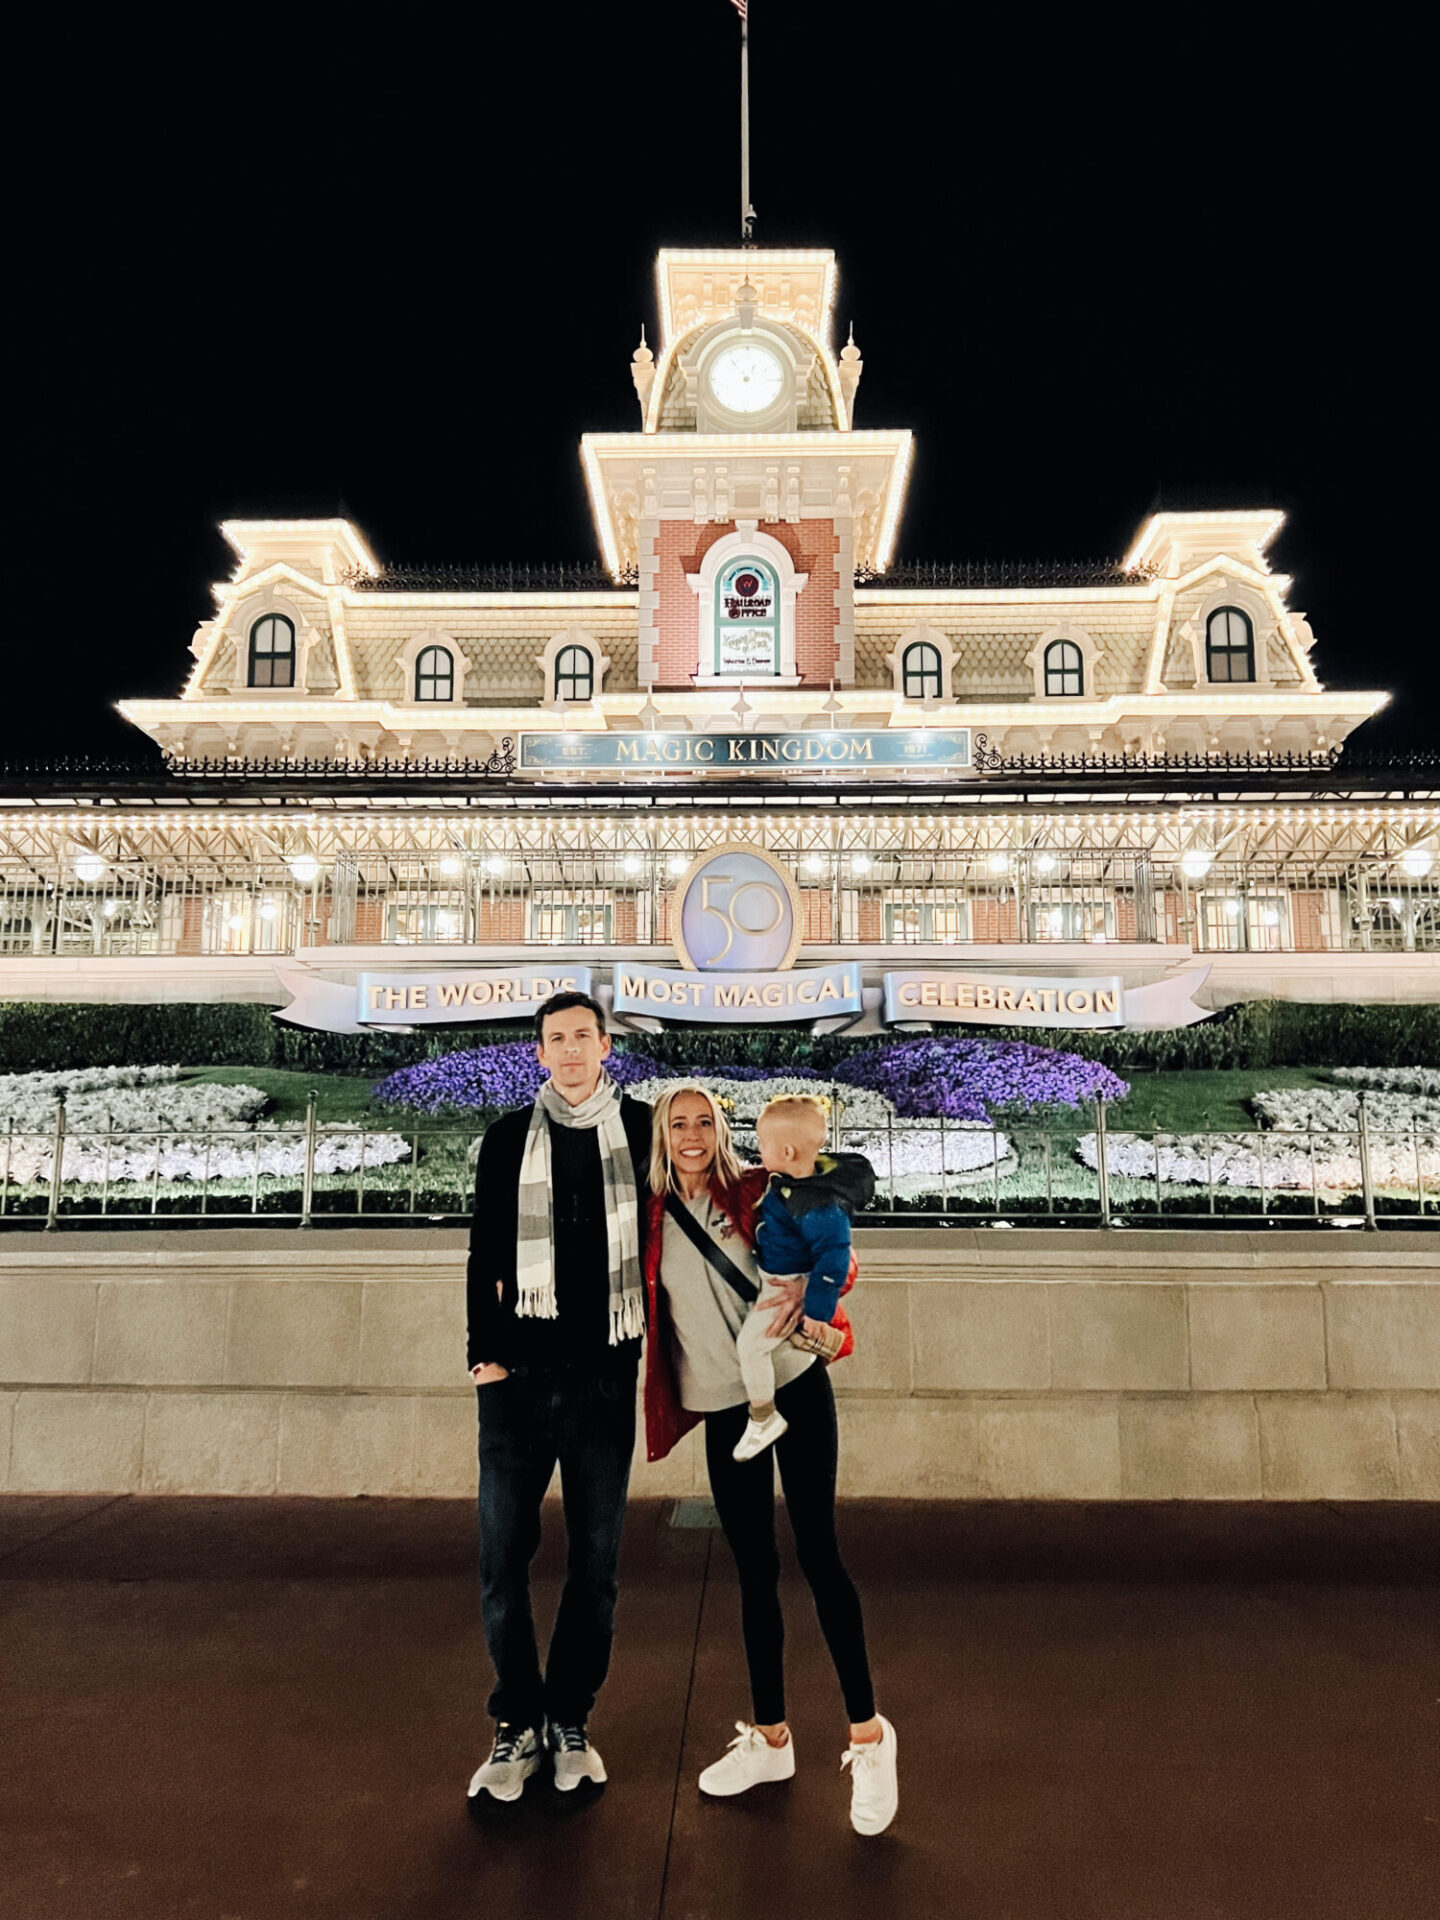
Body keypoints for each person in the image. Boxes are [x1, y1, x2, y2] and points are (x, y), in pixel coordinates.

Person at [641, 1082, 898, 1836]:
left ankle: (869, 1737)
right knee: (753, 1568)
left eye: (704, 1122)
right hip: (726, 1406)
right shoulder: (646, 1214)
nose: (691, 1134)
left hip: (793, 1384)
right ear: (660, 1135)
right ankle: (771, 1739)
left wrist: (824, 1296)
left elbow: (833, 1227)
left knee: (819, 1553)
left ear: (722, 1131)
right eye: (677, 1123)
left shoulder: (758, 1190)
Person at [463, 990, 651, 1806]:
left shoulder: (644, 1131)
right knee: (502, 1558)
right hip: (519, 1384)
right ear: (539, 1053)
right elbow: (482, 1250)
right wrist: (485, 1359)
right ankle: (516, 1722)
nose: (569, 1050)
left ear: (605, 1046)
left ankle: (570, 1718)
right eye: (555, 1039)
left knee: (596, 1565)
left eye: (582, 1036)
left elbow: (714, 1194)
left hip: (604, 1383)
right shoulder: (507, 1139)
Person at [733, 1095, 875, 1462]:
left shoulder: (818, 1206)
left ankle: (762, 1417)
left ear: (788, 1151)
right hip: (776, 1276)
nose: (758, 1150)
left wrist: (815, 1310)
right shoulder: (794, 1187)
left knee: (751, 1346)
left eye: (763, 1144)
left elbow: (833, 1260)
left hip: (785, 1285)